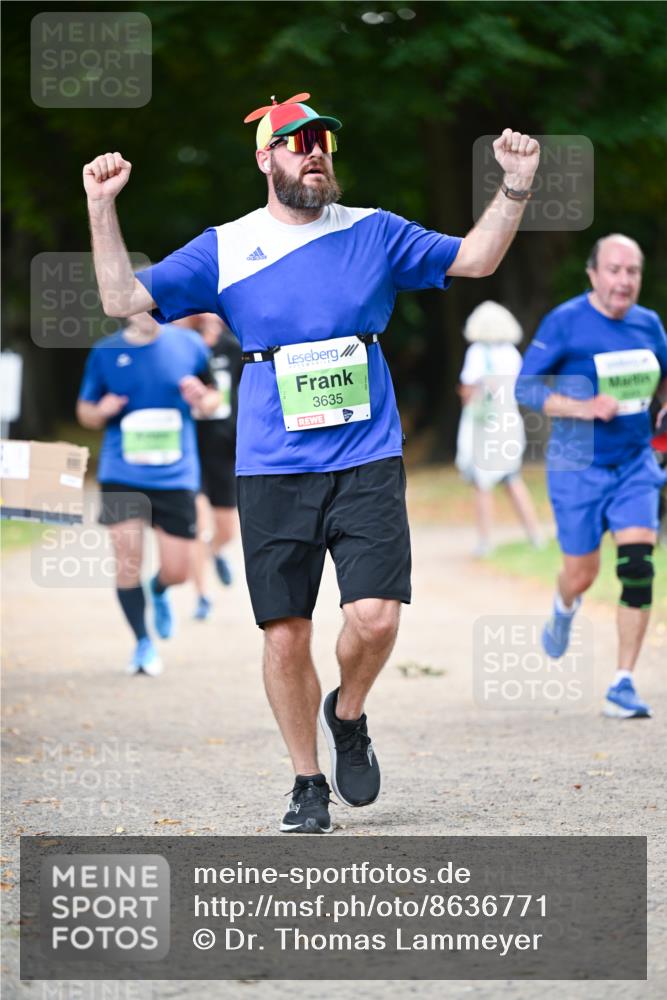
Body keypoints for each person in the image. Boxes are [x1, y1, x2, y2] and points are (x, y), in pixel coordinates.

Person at [82, 94, 540, 832]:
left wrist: (514, 183)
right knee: (285, 632)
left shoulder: (374, 231)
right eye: (295, 142)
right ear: (265, 158)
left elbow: (477, 257)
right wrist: (102, 206)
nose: (313, 150)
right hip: (271, 465)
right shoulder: (226, 246)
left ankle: (348, 712)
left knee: (376, 617)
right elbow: (118, 295)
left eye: (322, 139)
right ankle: (306, 782)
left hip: (366, 455)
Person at [516, 234, 667, 718]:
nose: (624, 280)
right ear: (593, 274)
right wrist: (582, 407)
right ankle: (564, 606)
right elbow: (526, 386)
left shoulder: (649, 325)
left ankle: (622, 682)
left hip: (634, 463)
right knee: (583, 574)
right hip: (577, 465)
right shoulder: (565, 322)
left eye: (633, 271)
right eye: (615, 270)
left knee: (638, 566)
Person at [76, 311, 221, 675]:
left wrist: (202, 397)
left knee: (179, 571)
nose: (146, 310)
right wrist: (101, 410)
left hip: (175, 474)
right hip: (121, 470)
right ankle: (142, 642)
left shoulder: (188, 344)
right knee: (127, 558)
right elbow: (84, 412)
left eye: (152, 301)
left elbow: (215, 400)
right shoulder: (106, 351)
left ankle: (159, 591)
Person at [455, 300, 543, 556]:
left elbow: (468, 390)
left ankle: (485, 541)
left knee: (483, 484)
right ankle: (535, 534)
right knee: (512, 479)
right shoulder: (512, 353)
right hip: (509, 423)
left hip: (485, 425)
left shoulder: (477, 352)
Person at [180, 313, 242, 620]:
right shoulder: (184, 346)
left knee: (227, 528)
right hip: (190, 446)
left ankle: (216, 552)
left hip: (225, 446)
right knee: (199, 526)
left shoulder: (234, 346)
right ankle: (203, 595)